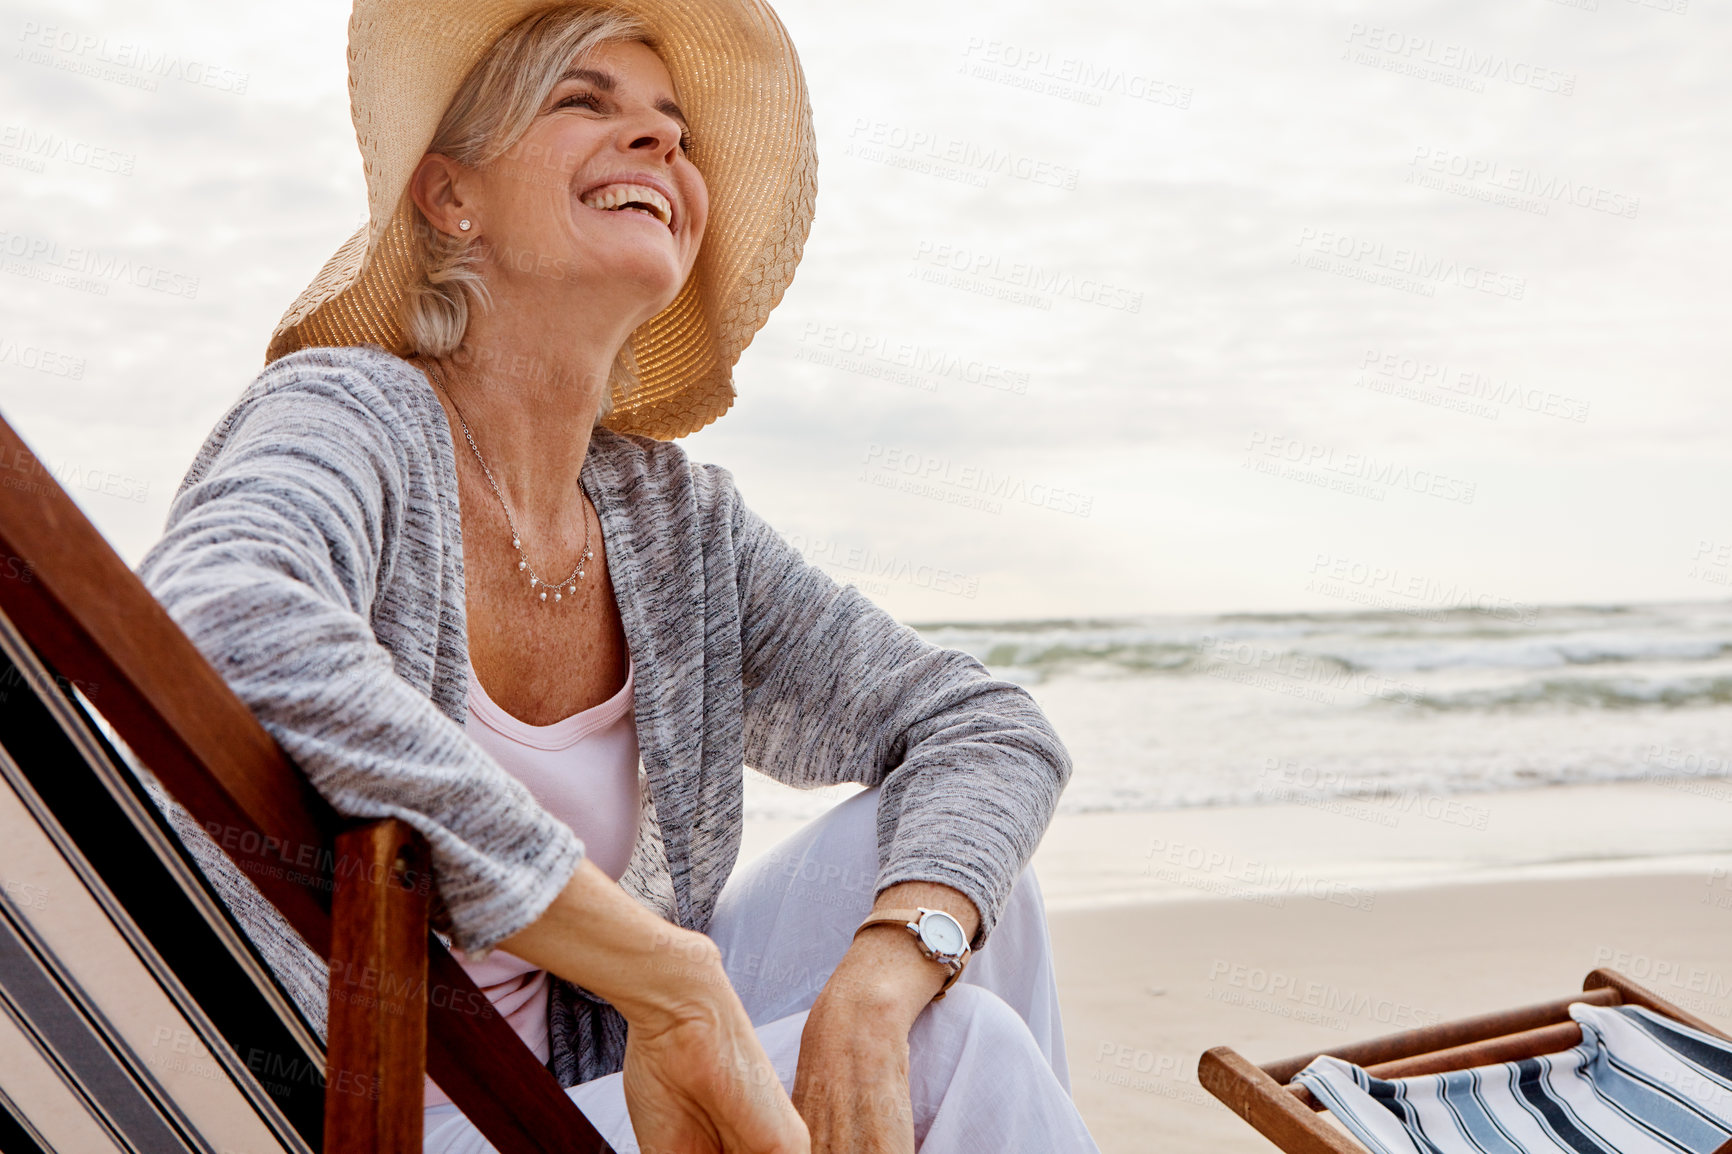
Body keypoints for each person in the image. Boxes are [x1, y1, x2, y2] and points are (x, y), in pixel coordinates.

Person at [137, 1, 1099, 1151]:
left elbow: (986, 726)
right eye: (585, 102)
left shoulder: (673, 521)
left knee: (955, 893)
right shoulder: (354, 414)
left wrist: (880, 984)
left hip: (590, 1092)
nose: (658, 144)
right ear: (451, 197)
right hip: (354, 1106)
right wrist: (664, 972)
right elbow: (220, 615)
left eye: (675, 129)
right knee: (967, 1052)